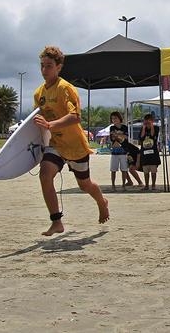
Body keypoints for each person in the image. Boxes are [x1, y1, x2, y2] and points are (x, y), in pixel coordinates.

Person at [33, 46, 108, 236]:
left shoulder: (65, 89)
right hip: (55, 145)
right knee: (45, 175)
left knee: (85, 185)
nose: (44, 70)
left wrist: (50, 125)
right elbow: (37, 121)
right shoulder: (38, 94)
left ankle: (102, 201)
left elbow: (75, 117)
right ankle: (56, 221)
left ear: (59, 67)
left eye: (49, 66)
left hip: (75, 145)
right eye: (42, 66)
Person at [137, 113, 161, 190]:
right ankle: (146, 185)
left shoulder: (156, 128)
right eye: (146, 121)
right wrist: (144, 128)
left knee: (153, 170)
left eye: (149, 121)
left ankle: (153, 185)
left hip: (153, 153)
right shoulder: (142, 129)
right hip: (145, 153)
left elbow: (153, 135)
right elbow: (141, 138)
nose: (147, 123)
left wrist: (151, 126)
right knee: (146, 171)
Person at [108, 111, 131, 191]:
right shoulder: (112, 128)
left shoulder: (124, 127)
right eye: (112, 118)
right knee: (113, 169)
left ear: (119, 118)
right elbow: (112, 138)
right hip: (115, 151)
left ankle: (123, 185)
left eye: (115, 118)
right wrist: (120, 136)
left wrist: (117, 135)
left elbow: (126, 137)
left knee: (124, 169)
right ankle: (113, 185)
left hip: (123, 151)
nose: (114, 120)